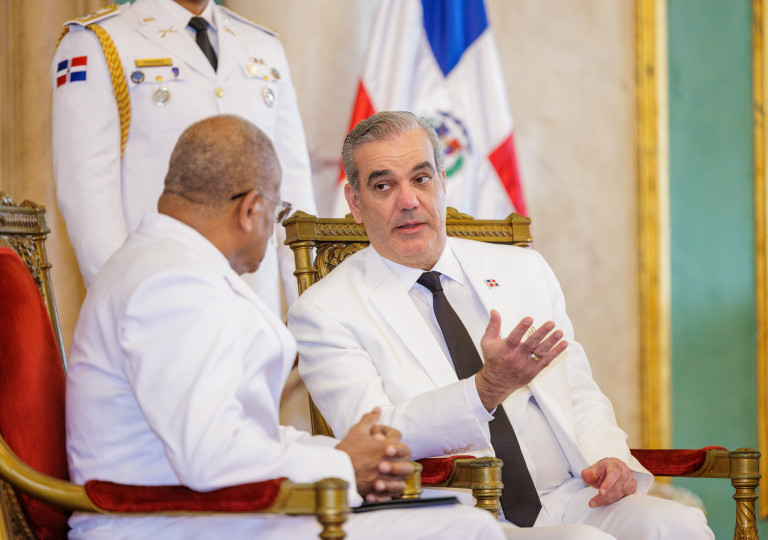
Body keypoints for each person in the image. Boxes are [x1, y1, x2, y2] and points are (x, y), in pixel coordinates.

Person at [65, 114, 506, 539]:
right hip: (170, 524)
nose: (274, 232)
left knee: (457, 521)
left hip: (203, 514)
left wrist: (340, 454)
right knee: (468, 529)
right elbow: (210, 455)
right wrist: (343, 465)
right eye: (277, 213)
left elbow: (238, 434)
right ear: (250, 210)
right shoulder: (172, 285)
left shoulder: (161, 264)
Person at [287, 111, 715, 539]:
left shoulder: (523, 269)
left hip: (568, 495)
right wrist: (484, 390)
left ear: (442, 182)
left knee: (679, 525)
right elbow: (375, 440)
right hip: (455, 516)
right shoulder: (324, 311)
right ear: (355, 202)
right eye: (384, 186)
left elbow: (578, 390)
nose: (409, 200)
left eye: (421, 179)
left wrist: (608, 456)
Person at [51, 0, 314, 314]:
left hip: (255, 303)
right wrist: (131, 306)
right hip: (160, 298)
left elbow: (294, 190)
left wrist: (310, 308)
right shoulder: (97, 43)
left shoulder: (263, 45)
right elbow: (88, 197)